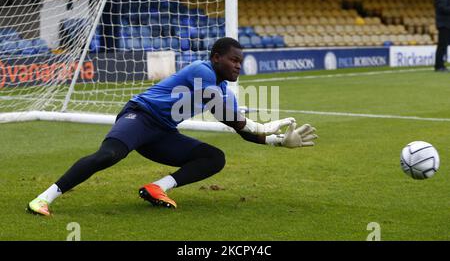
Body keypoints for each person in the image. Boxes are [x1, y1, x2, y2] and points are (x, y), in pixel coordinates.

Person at [27, 37, 318, 216]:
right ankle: (44, 198)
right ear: (216, 58)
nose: (238, 66)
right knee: (108, 155)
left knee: (214, 157)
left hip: (163, 132)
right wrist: (266, 127)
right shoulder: (201, 71)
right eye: (233, 60)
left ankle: (157, 188)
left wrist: (278, 141)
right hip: (140, 117)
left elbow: (241, 130)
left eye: (241, 61)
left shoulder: (222, 90)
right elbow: (239, 122)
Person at [433, 0, 450, 72]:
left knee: (444, 45)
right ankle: (439, 66)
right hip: (444, 23)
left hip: (446, 22)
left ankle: (440, 65)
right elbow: (443, 8)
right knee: (442, 45)